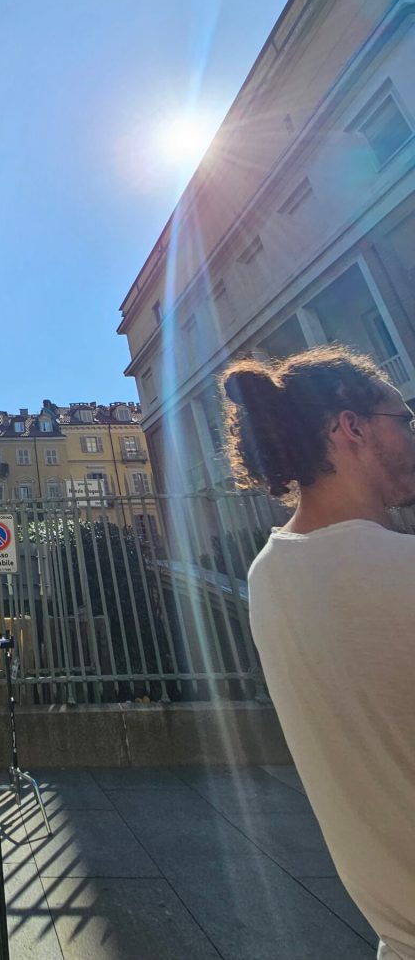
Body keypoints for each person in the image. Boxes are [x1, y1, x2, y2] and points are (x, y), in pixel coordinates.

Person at [222, 345, 415, 960]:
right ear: (351, 426)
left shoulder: (269, 575)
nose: (411, 434)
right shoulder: (395, 571)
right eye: (403, 420)